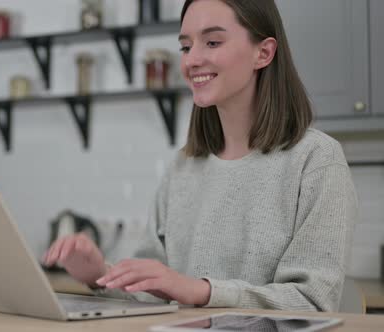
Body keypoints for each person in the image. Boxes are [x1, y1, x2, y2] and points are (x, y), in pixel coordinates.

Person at [43, 0, 357, 312]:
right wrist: (99, 276)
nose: (192, 60)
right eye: (185, 47)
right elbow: (153, 298)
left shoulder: (317, 161)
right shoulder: (183, 168)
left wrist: (200, 291)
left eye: (212, 42)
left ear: (264, 53)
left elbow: (312, 301)